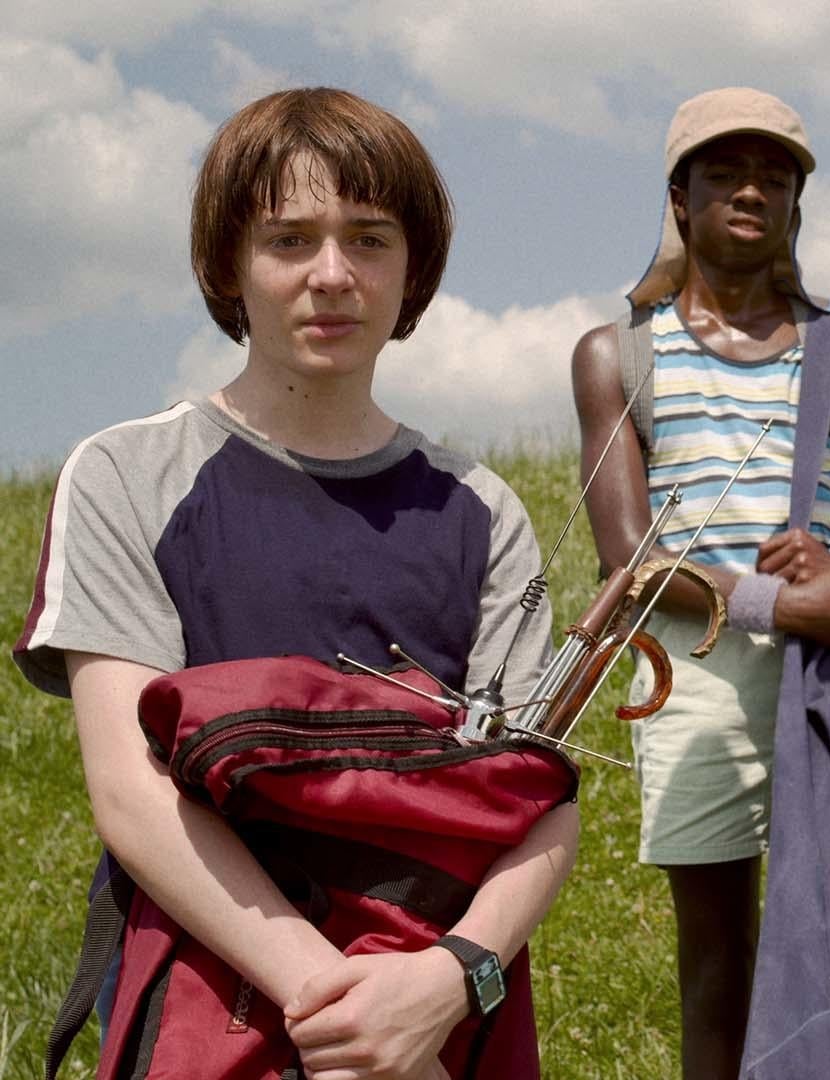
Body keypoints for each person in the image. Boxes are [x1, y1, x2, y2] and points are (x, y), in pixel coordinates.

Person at [14, 87, 578, 1078]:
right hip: (205, 992)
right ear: (226, 264)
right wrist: (340, 1007)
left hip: (433, 1008)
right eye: (289, 240)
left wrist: (449, 981)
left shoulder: (482, 510)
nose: (333, 275)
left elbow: (542, 803)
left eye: (369, 239)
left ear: (414, 267)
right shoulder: (126, 476)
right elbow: (131, 793)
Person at [569, 87, 830, 1079]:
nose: (752, 192)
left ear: (798, 203)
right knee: (718, 960)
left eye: (775, 176)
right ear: (680, 199)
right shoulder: (618, 355)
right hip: (696, 678)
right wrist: (782, 603)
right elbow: (628, 560)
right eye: (725, 173)